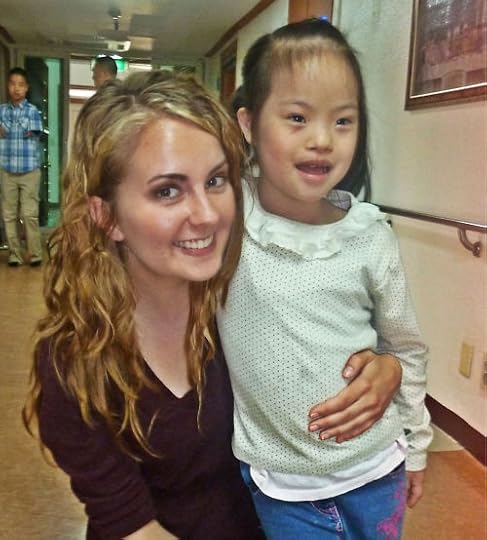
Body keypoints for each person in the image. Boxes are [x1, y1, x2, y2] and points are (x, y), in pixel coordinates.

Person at [22, 70, 264, 540]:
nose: (208, 214)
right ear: (107, 217)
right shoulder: (76, 361)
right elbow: (134, 527)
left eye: (216, 180)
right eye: (167, 190)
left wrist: (382, 370)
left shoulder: (246, 305)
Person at [217, 18, 433, 539]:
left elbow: (404, 348)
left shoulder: (369, 235)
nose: (322, 140)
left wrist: (417, 447)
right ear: (248, 123)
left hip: (378, 469)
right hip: (282, 487)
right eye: (297, 117)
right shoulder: (225, 217)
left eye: (343, 121)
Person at [0, 67, 43, 267]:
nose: (16, 88)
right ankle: (14, 254)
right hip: (7, 169)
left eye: (20, 85)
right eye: (12, 84)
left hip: (29, 170)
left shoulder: (32, 111)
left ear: (26, 88)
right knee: (8, 215)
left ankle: (35, 254)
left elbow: (31, 132)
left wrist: (7, 129)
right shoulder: (1, 110)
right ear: (8, 86)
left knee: (29, 214)